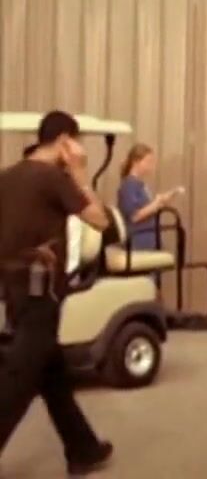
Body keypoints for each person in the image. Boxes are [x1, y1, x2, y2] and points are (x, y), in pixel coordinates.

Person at [0, 111, 115, 474]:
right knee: (18, 380)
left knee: (52, 375)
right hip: (42, 293)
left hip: (15, 288)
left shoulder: (7, 176)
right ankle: (83, 449)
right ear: (65, 140)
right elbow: (101, 220)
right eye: (76, 142)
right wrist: (80, 174)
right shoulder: (54, 178)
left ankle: (84, 449)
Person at [116, 143, 181, 282]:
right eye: (148, 161)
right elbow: (134, 216)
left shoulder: (140, 185)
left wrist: (162, 201)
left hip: (149, 239)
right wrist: (156, 203)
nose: (151, 166)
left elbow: (146, 208)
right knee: (143, 280)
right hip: (138, 240)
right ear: (136, 162)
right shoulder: (129, 185)